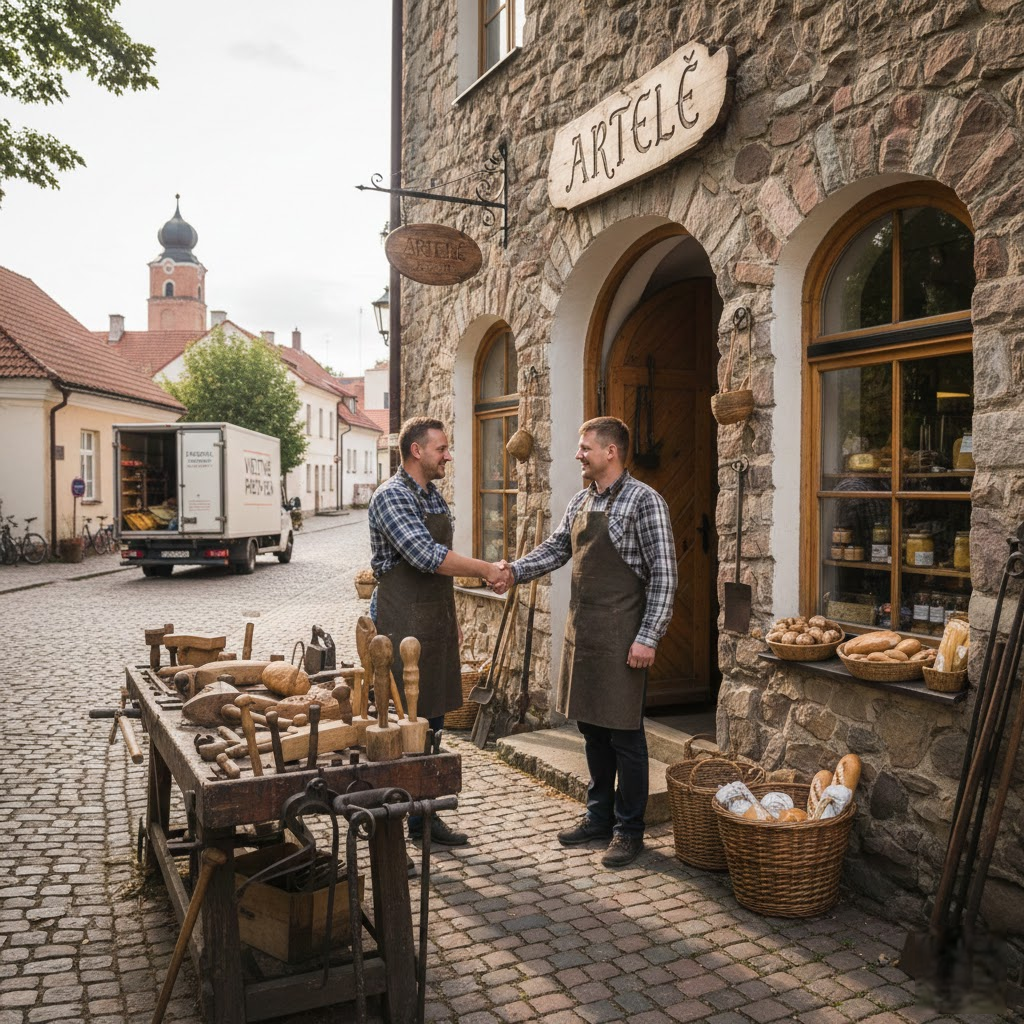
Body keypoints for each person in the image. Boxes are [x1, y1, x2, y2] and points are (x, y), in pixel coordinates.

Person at [495, 416, 677, 867]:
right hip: (585, 633)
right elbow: (556, 549)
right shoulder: (581, 500)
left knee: (625, 734)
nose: (578, 454)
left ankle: (629, 830)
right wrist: (513, 571)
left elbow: (665, 577)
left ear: (610, 451)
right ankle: (599, 816)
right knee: (591, 728)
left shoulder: (645, 502)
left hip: (624, 636)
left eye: (585, 448)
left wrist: (648, 637)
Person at [368, 416, 507, 846]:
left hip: (435, 622)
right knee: (400, 727)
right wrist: (485, 570)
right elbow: (427, 555)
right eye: (441, 448)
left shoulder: (433, 496)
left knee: (434, 722)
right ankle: (392, 825)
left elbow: (439, 572)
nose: (448, 455)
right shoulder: (391, 497)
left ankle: (424, 818)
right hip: (400, 624)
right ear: (416, 451)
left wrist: (453, 620)